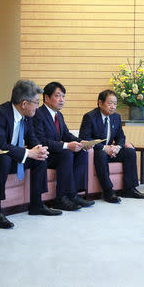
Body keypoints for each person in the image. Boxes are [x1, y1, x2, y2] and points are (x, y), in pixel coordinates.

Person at [0, 80, 61, 229]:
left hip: (11, 156)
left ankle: (36, 204)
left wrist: (39, 149)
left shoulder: (27, 116)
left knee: (39, 158)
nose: (38, 107)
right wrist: (28, 152)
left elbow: (32, 139)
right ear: (24, 103)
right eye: (36, 102)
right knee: (4, 158)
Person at [79, 89, 144, 203]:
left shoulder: (116, 117)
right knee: (101, 154)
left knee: (129, 152)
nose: (113, 106)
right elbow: (84, 138)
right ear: (100, 103)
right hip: (97, 151)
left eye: (115, 104)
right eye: (110, 103)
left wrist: (118, 147)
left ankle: (129, 189)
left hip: (112, 151)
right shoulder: (90, 117)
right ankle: (108, 191)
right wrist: (104, 148)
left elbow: (121, 137)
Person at [33, 82, 94, 211]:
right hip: (44, 155)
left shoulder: (58, 115)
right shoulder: (38, 114)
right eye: (58, 96)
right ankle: (60, 198)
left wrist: (82, 143)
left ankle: (74, 194)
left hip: (56, 153)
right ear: (47, 98)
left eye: (63, 96)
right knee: (67, 153)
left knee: (81, 152)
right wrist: (66, 146)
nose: (62, 100)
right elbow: (41, 140)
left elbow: (66, 134)